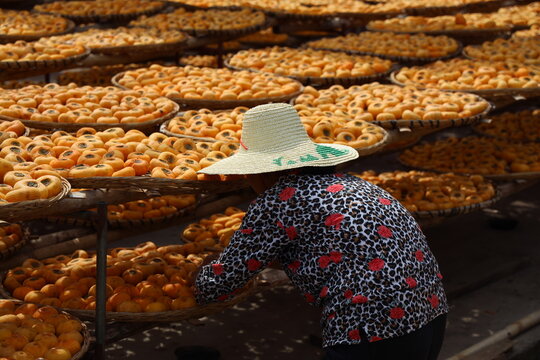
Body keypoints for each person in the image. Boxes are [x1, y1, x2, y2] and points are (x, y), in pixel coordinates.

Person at [194, 103, 448, 360]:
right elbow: (340, 251)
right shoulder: (353, 184)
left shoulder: (280, 199)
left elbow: (216, 285)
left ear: (265, 171)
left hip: (373, 326)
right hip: (429, 311)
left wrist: (199, 271)